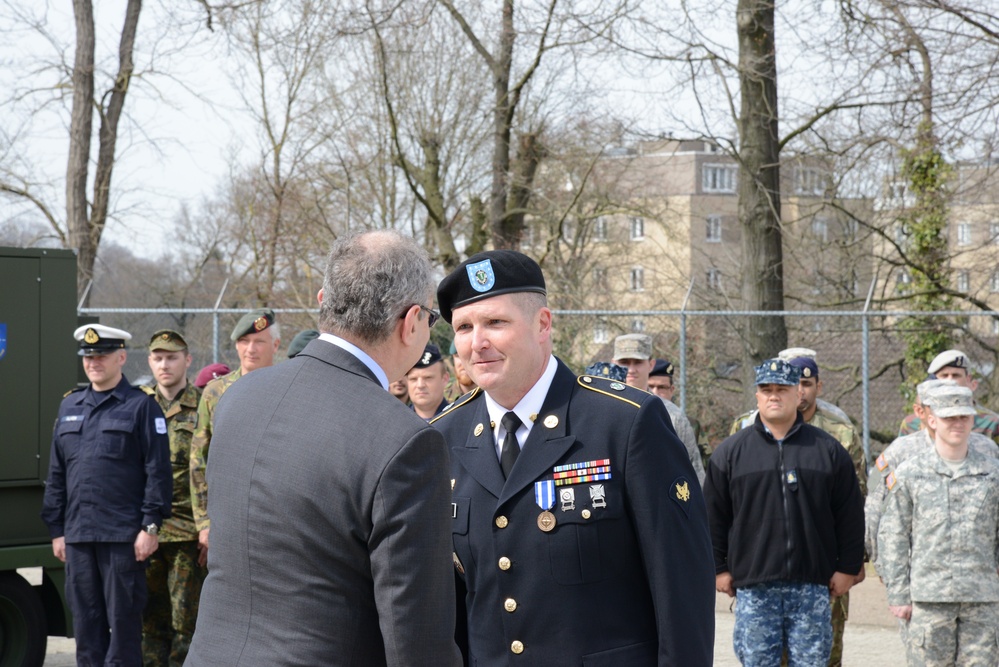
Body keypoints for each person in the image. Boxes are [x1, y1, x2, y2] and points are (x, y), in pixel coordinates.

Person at [186, 231, 461, 666]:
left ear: (323, 300)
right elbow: (416, 638)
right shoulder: (404, 440)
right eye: (431, 318)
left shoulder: (239, 397)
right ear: (411, 322)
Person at [432, 250, 714, 665]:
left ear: (542, 323)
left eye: (496, 322)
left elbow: (682, 588)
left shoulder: (624, 423)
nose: (478, 342)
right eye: (464, 327)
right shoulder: (443, 436)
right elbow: (450, 607)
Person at [704, 358, 864, 667]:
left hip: (811, 586)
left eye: (782, 389)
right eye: (767, 389)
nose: (774, 396)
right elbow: (713, 515)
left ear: (797, 394)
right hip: (754, 587)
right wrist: (718, 567)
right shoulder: (731, 453)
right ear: (757, 396)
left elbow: (849, 515)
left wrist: (847, 567)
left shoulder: (828, 451)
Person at [41, 324, 172, 666]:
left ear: (122, 357)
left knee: (125, 629)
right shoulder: (70, 406)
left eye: (102, 356)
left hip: (123, 540)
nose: (94, 362)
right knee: (86, 630)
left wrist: (150, 527)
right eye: (88, 356)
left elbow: (157, 472)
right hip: (80, 538)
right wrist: (57, 530)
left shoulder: (141, 407)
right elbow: (57, 474)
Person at [877, 384, 999, 665]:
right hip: (928, 599)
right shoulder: (910, 473)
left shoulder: (992, 473)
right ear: (932, 420)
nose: (957, 423)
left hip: (982, 599)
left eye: (964, 417)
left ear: (972, 420)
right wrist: (898, 593)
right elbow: (893, 534)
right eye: (949, 417)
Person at [865, 379, 999, 573]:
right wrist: (881, 564)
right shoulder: (900, 452)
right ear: (923, 412)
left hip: (977, 573)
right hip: (919, 571)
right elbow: (875, 508)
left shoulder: (986, 449)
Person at [189, 308, 279, 555]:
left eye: (259, 341)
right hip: (227, 514)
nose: (251, 349)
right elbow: (199, 459)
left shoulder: (290, 388)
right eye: (244, 341)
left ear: (276, 345)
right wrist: (204, 522)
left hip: (277, 516)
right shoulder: (215, 392)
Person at [143, 329, 205, 666]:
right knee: (150, 623)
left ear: (187, 360)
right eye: (158, 358)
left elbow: (212, 468)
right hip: (146, 533)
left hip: (188, 534)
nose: (165, 364)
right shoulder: (139, 405)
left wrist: (210, 526)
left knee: (187, 625)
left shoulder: (204, 406)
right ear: (150, 361)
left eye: (172, 357)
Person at [613, 333, 705, 484]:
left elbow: (694, 473)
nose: (631, 369)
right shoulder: (600, 412)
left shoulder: (672, 416)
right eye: (624, 362)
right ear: (613, 363)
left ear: (651, 364)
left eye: (638, 362)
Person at [897, 349, 999, 443]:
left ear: (969, 380)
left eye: (956, 375)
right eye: (944, 376)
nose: (949, 381)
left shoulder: (991, 423)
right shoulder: (912, 423)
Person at [407, 343, 451, 420]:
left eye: (428, 378)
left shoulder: (459, 420)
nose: (420, 385)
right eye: (413, 379)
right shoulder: (396, 422)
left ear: (444, 379)